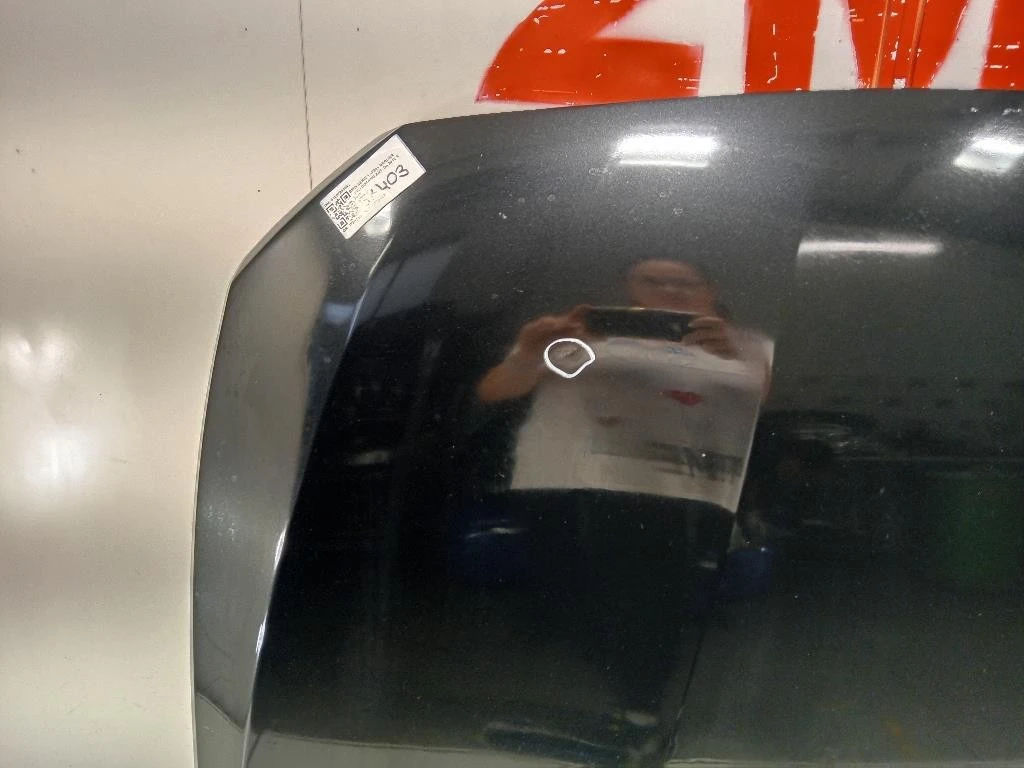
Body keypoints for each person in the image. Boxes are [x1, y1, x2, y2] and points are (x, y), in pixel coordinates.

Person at [469, 258, 772, 760]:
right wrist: (529, 353)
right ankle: (623, 699)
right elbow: (497, 390)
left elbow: (765, 407)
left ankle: (640, 709)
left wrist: (735, 355)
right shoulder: (587, 340)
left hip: (668, 492)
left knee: (650, 603)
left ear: (710, 290)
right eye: (653, 281)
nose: (669, 291)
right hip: (562, 484)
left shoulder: (743, 346)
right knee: (571, 590)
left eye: (685, 282)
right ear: (627, 287)